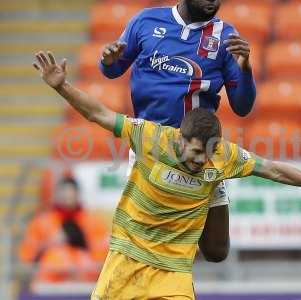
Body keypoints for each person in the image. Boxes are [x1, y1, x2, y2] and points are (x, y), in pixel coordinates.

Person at [33, 51, 301, 299]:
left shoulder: (222, 158)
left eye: (207, 154)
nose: (200, 161)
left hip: (173, 272)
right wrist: (62, 88)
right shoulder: (150, 137)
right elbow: (99, 114)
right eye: (195, 153)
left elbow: (275, 170)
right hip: (125, 261)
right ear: (179, 138)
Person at [99, 0, 256, 262]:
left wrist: (245, 69)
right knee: (145, 246)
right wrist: (108, 61)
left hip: (199, 150)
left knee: (217, 250)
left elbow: (242, 106)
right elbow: (113, 69)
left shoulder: (225, 37)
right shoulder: (145, 22)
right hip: (150, 147)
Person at [19, 177, 109, 266]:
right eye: (64, 192)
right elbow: (27, 256)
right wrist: (47, 245)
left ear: (78, 194)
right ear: (57, 195)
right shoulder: (41, 222)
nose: (67, 196)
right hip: (50, 277)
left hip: (84, 277)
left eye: (71, 192)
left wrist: (84, 243)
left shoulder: (93, 222)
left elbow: (104, 255)